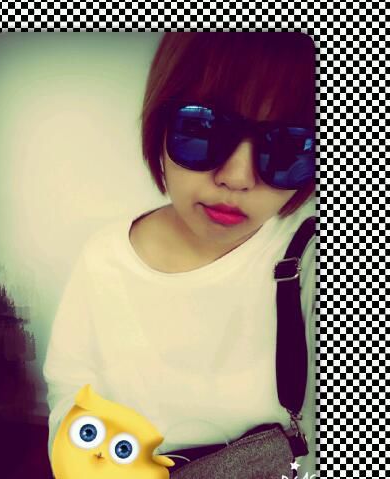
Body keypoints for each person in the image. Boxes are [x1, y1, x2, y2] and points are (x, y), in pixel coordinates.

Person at [44, 32, 316, 477]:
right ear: (160, 125)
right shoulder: (103, 259)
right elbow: (71, 400)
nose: (237, 177)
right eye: (204, 130)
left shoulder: (309, 254)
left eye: (286, 147)